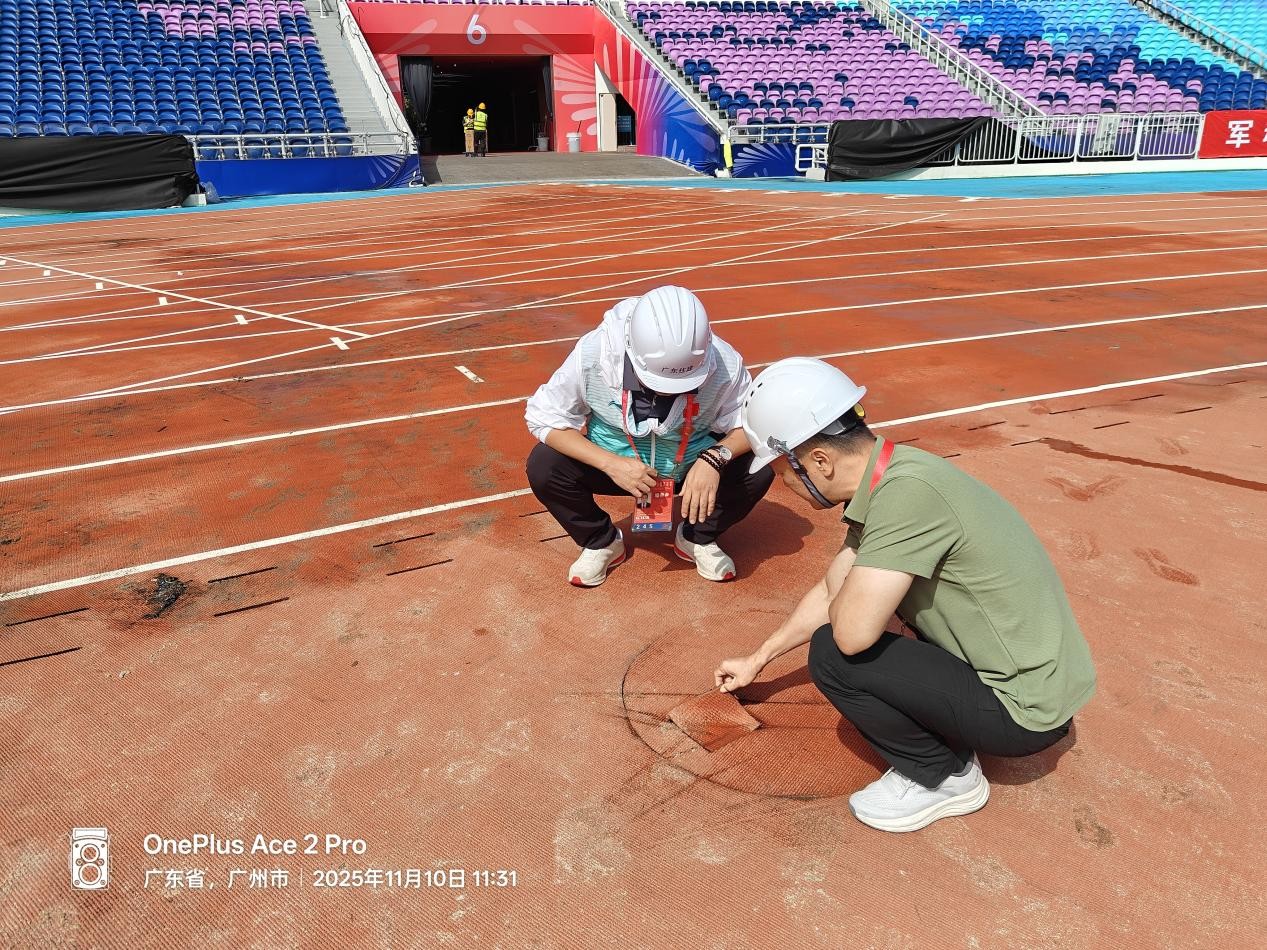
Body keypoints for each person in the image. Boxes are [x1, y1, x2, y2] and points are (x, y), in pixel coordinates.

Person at [715, 358, 1096, 833]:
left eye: (782, 473)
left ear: (820, 461)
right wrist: (759, 658)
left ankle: (944, 776)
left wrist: (857, 596)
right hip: (1037, 680)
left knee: (834, 653)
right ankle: (951, 729)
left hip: (1025, 712)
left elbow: (850, 634)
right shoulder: (897, 474)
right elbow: (832, 586)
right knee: (872, 607)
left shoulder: (904, 500)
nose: (786, 487)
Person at [525, 286, 774, 587]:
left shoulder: (724, 363)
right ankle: (600, 541)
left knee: (759, 466)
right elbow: (543, 416)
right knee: (544, 464)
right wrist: (611, 464)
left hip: (690, 468)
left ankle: (697, 538)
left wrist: (714, 459)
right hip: (617, 469)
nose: (668, 392)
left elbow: (755, 422)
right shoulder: (594, 354)